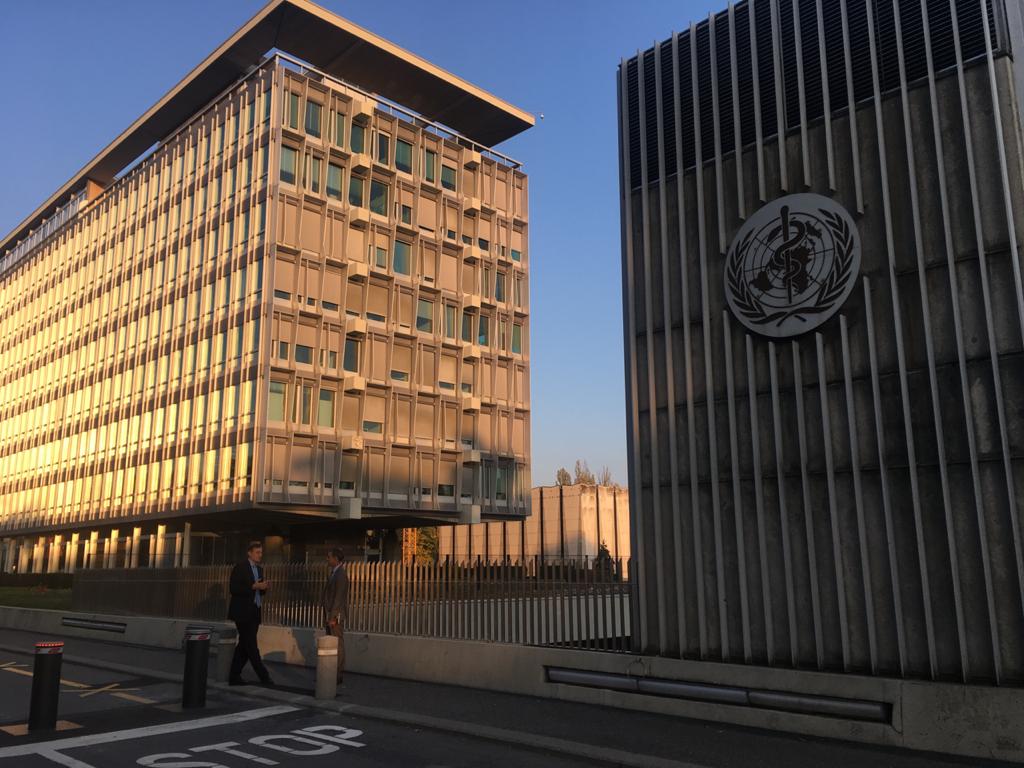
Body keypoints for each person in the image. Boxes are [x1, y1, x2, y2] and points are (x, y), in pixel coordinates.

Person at [228, 541, 273, 686]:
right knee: (251, 646)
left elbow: (259, 591)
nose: (260, 555)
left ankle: (234, 675)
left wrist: (264, 587)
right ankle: (264, 677)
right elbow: (234, 589)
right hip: (242, 612)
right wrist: (253, 586)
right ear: (249, 553)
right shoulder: (240, 567)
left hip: (255, 611)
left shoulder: (259, 569)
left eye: (261, 552)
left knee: (244, 645)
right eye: (257, 552)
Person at [321, 547, 349, 686]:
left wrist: (333, 617)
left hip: (335, 616)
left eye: (329, 557)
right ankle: (330, 673)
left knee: (337, 643)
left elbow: (338, 598)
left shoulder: (341, 575)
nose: (327, 559)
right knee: (331, 643)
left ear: (336, 559)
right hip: (330, 614)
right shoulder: (334, 573)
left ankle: (337, 673)